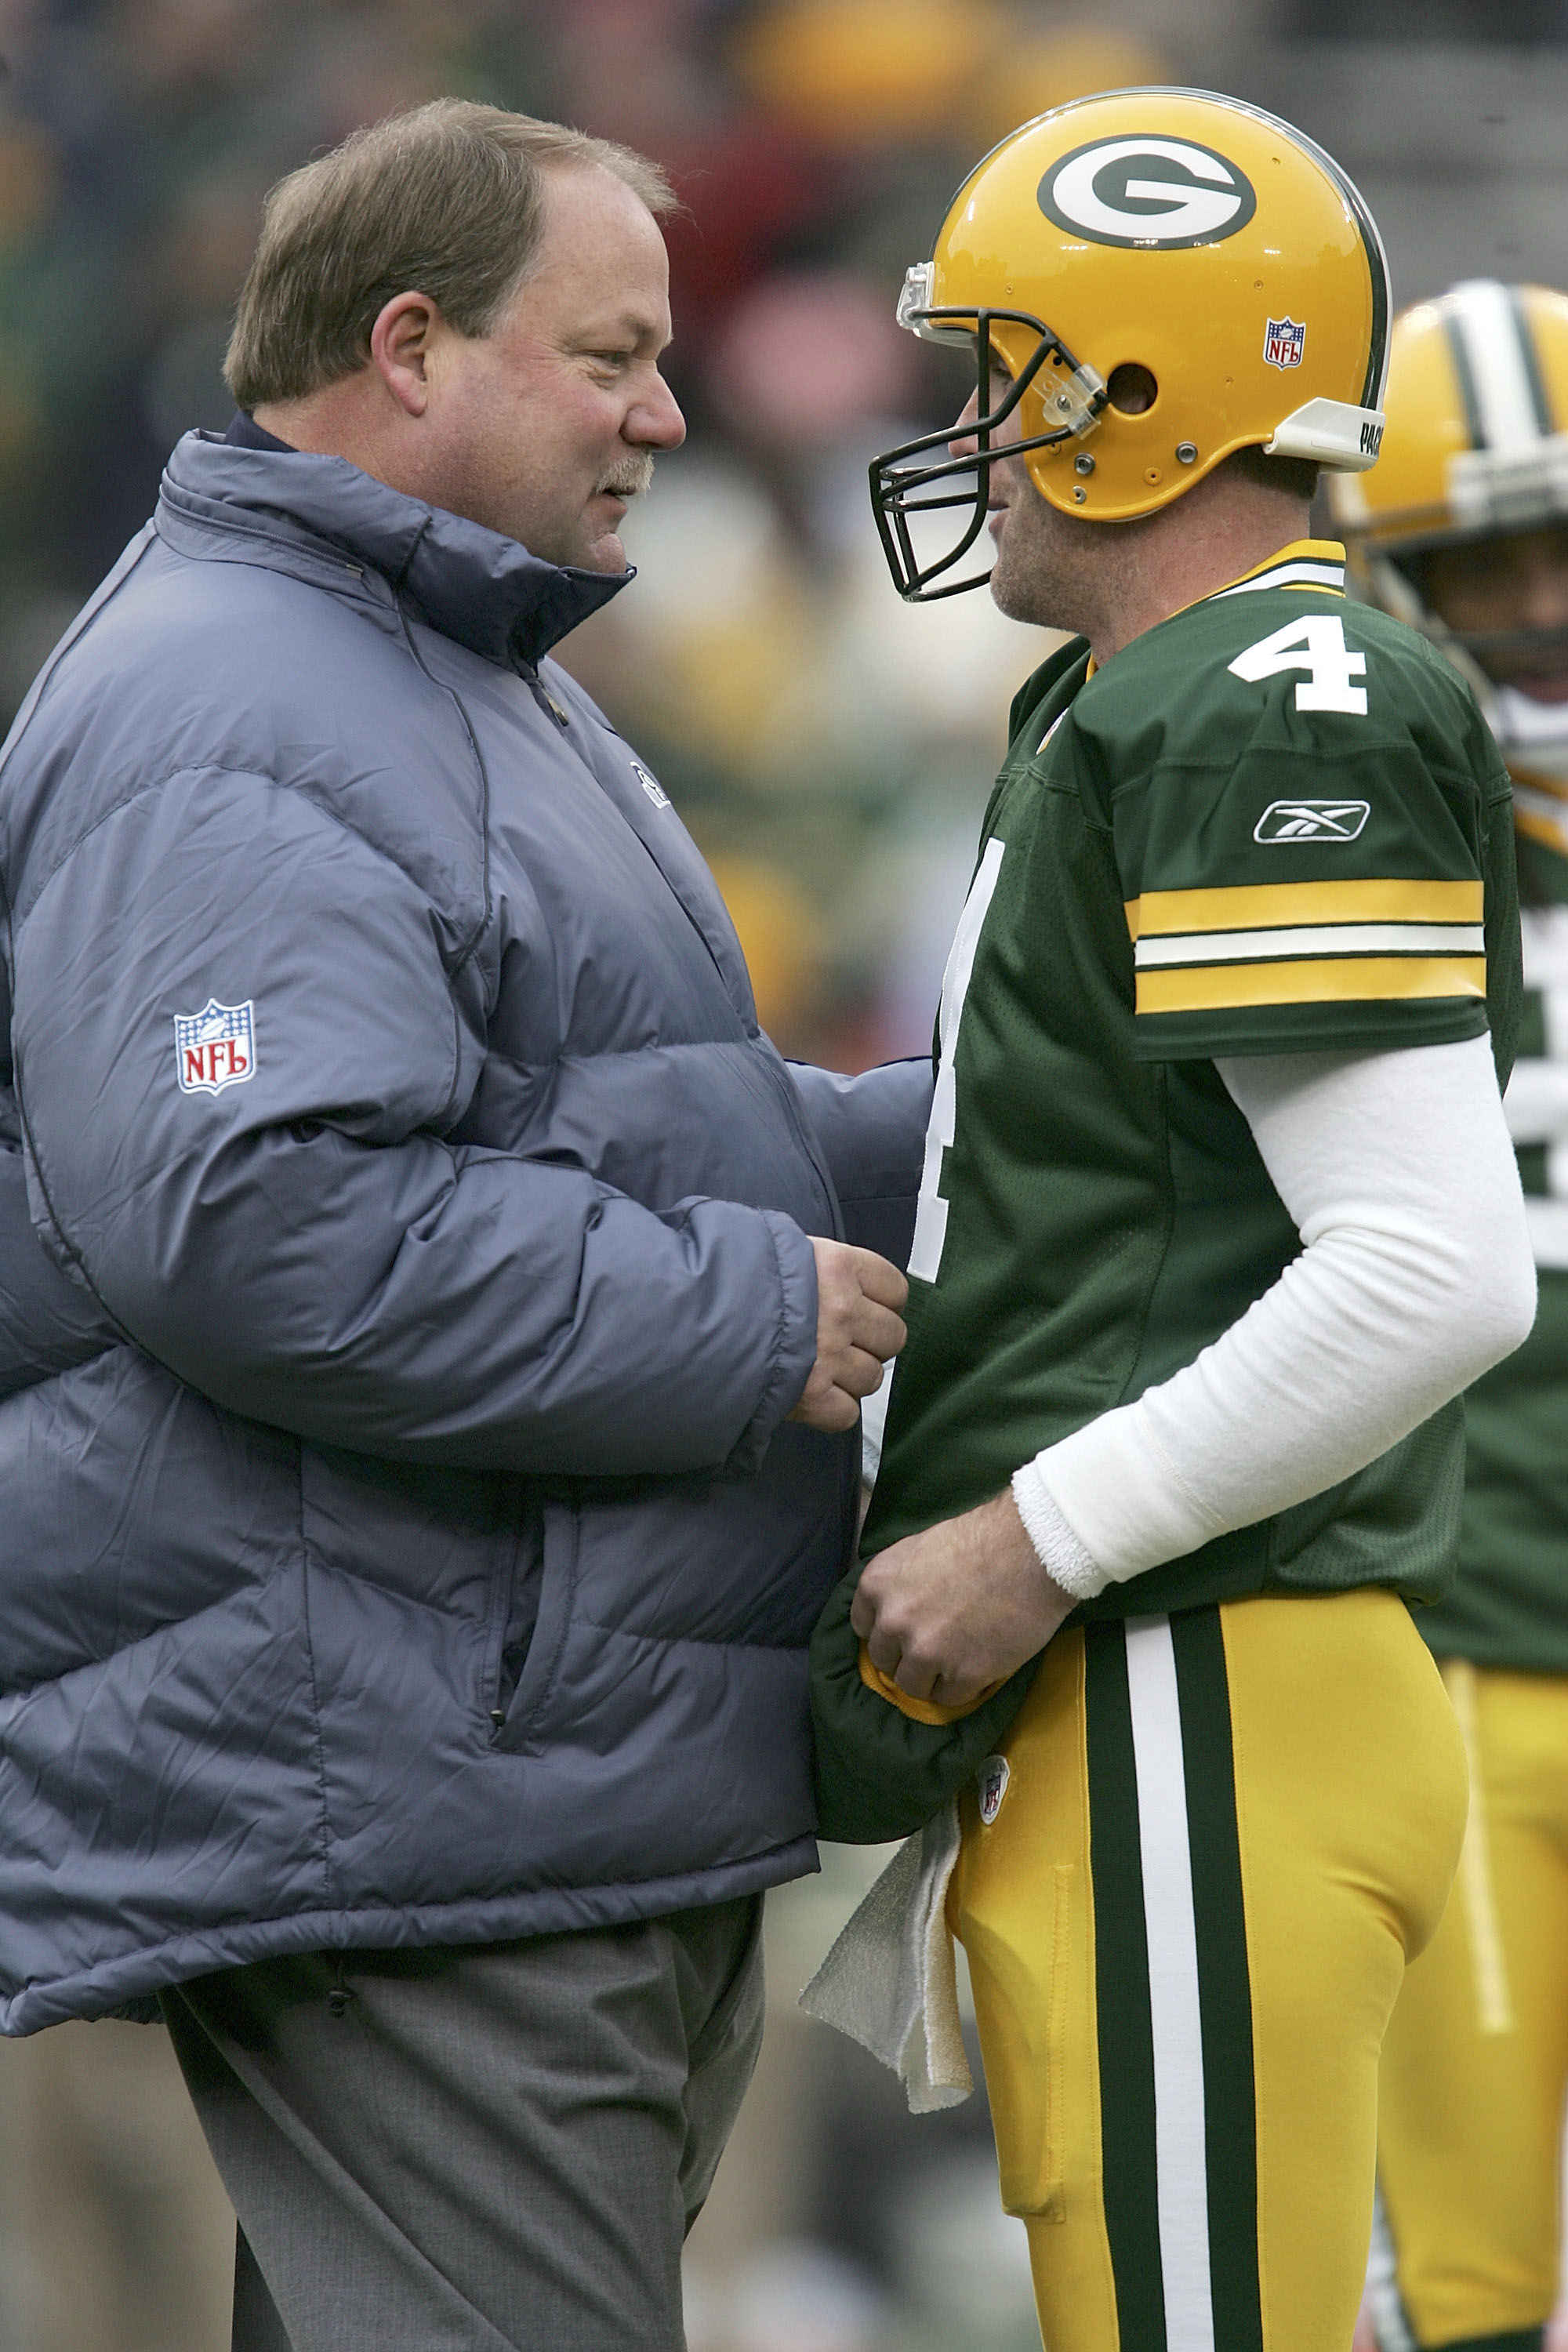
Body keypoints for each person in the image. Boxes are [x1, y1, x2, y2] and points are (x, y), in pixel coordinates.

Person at [0, 100, 928, 2352]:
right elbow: (260, 1220)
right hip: (412, 1795)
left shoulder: (437, 666)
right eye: (609, 352)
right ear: (409, 348)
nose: (664, 412)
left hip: (513, 1779)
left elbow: (615, 1130)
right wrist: (742, 1315)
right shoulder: (239, 704)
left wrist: (997, 1131)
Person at [836, 89, 1537, 2352]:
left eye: (1010, 371)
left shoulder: (1260, 692)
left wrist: (1033, 1531)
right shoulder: (1154, 697)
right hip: (1191, 1679)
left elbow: (1432, 1268)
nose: (974, 430)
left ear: (1140, 398)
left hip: (1201, 1680)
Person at [1330, 279, 1568, 2352]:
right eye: (1491, 558)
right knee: (1469, 2289)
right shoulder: (1341, 857)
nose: (1546, 606)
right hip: (1468, 1634)